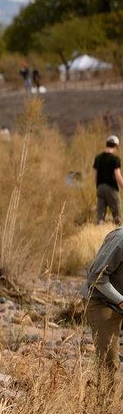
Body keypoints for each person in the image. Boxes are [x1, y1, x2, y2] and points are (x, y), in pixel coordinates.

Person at [85, 226, 123, 378]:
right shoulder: (120, 240)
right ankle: (104, 401)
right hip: (102, 301)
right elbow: (96, 278)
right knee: (109, 361)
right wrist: (120, 300)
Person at [96, 136, 123, 225]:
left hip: (100, 188)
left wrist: (98, 186)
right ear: (115, 146)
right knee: (117, 213)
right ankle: (118, 233)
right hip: (111, 188)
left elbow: (95, 176)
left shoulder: (98, 158)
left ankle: (98, 232)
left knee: (100, 215)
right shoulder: (115, 159)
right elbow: (118, 176)